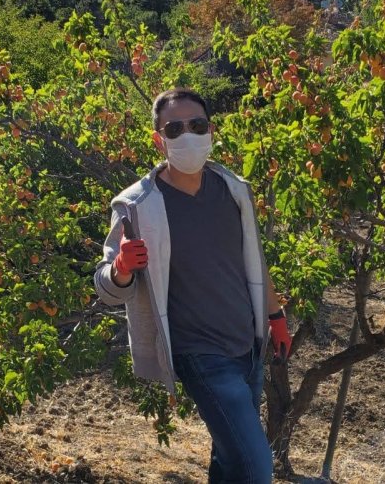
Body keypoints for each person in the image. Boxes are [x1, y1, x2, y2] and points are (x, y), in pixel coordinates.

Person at [93, 87, 293, 483]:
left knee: (230, 457)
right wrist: (120, 268)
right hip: (200, 354)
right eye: (175, 127)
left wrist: (275, 315)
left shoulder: (233, 189)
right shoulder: (137, 205)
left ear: (210, 131)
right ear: (158, 140)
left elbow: (252, 259)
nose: (188, 134)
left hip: (247, 344)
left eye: (196, 125)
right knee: (256, 467)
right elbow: (106, 286)